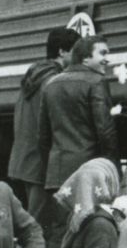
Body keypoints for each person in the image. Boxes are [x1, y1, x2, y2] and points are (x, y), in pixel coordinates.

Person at [7, 26, 81, 219]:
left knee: (35, 223)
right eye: (76, 52)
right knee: (37, 228)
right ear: (62, 51)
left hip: (27, 162)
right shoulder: (54, 82)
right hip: (43, 166)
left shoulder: (35, 77)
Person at [36, 35, 119, 193]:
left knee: (62, 219)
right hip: (88, 175)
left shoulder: (50, 84)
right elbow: (105, 132)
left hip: (57, 176)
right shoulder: (96, 82)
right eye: (102, 53)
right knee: (89, 218)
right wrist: (112, 169)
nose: (107, 59)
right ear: (86, 58)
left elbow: (42, 138)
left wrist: (52, 169)